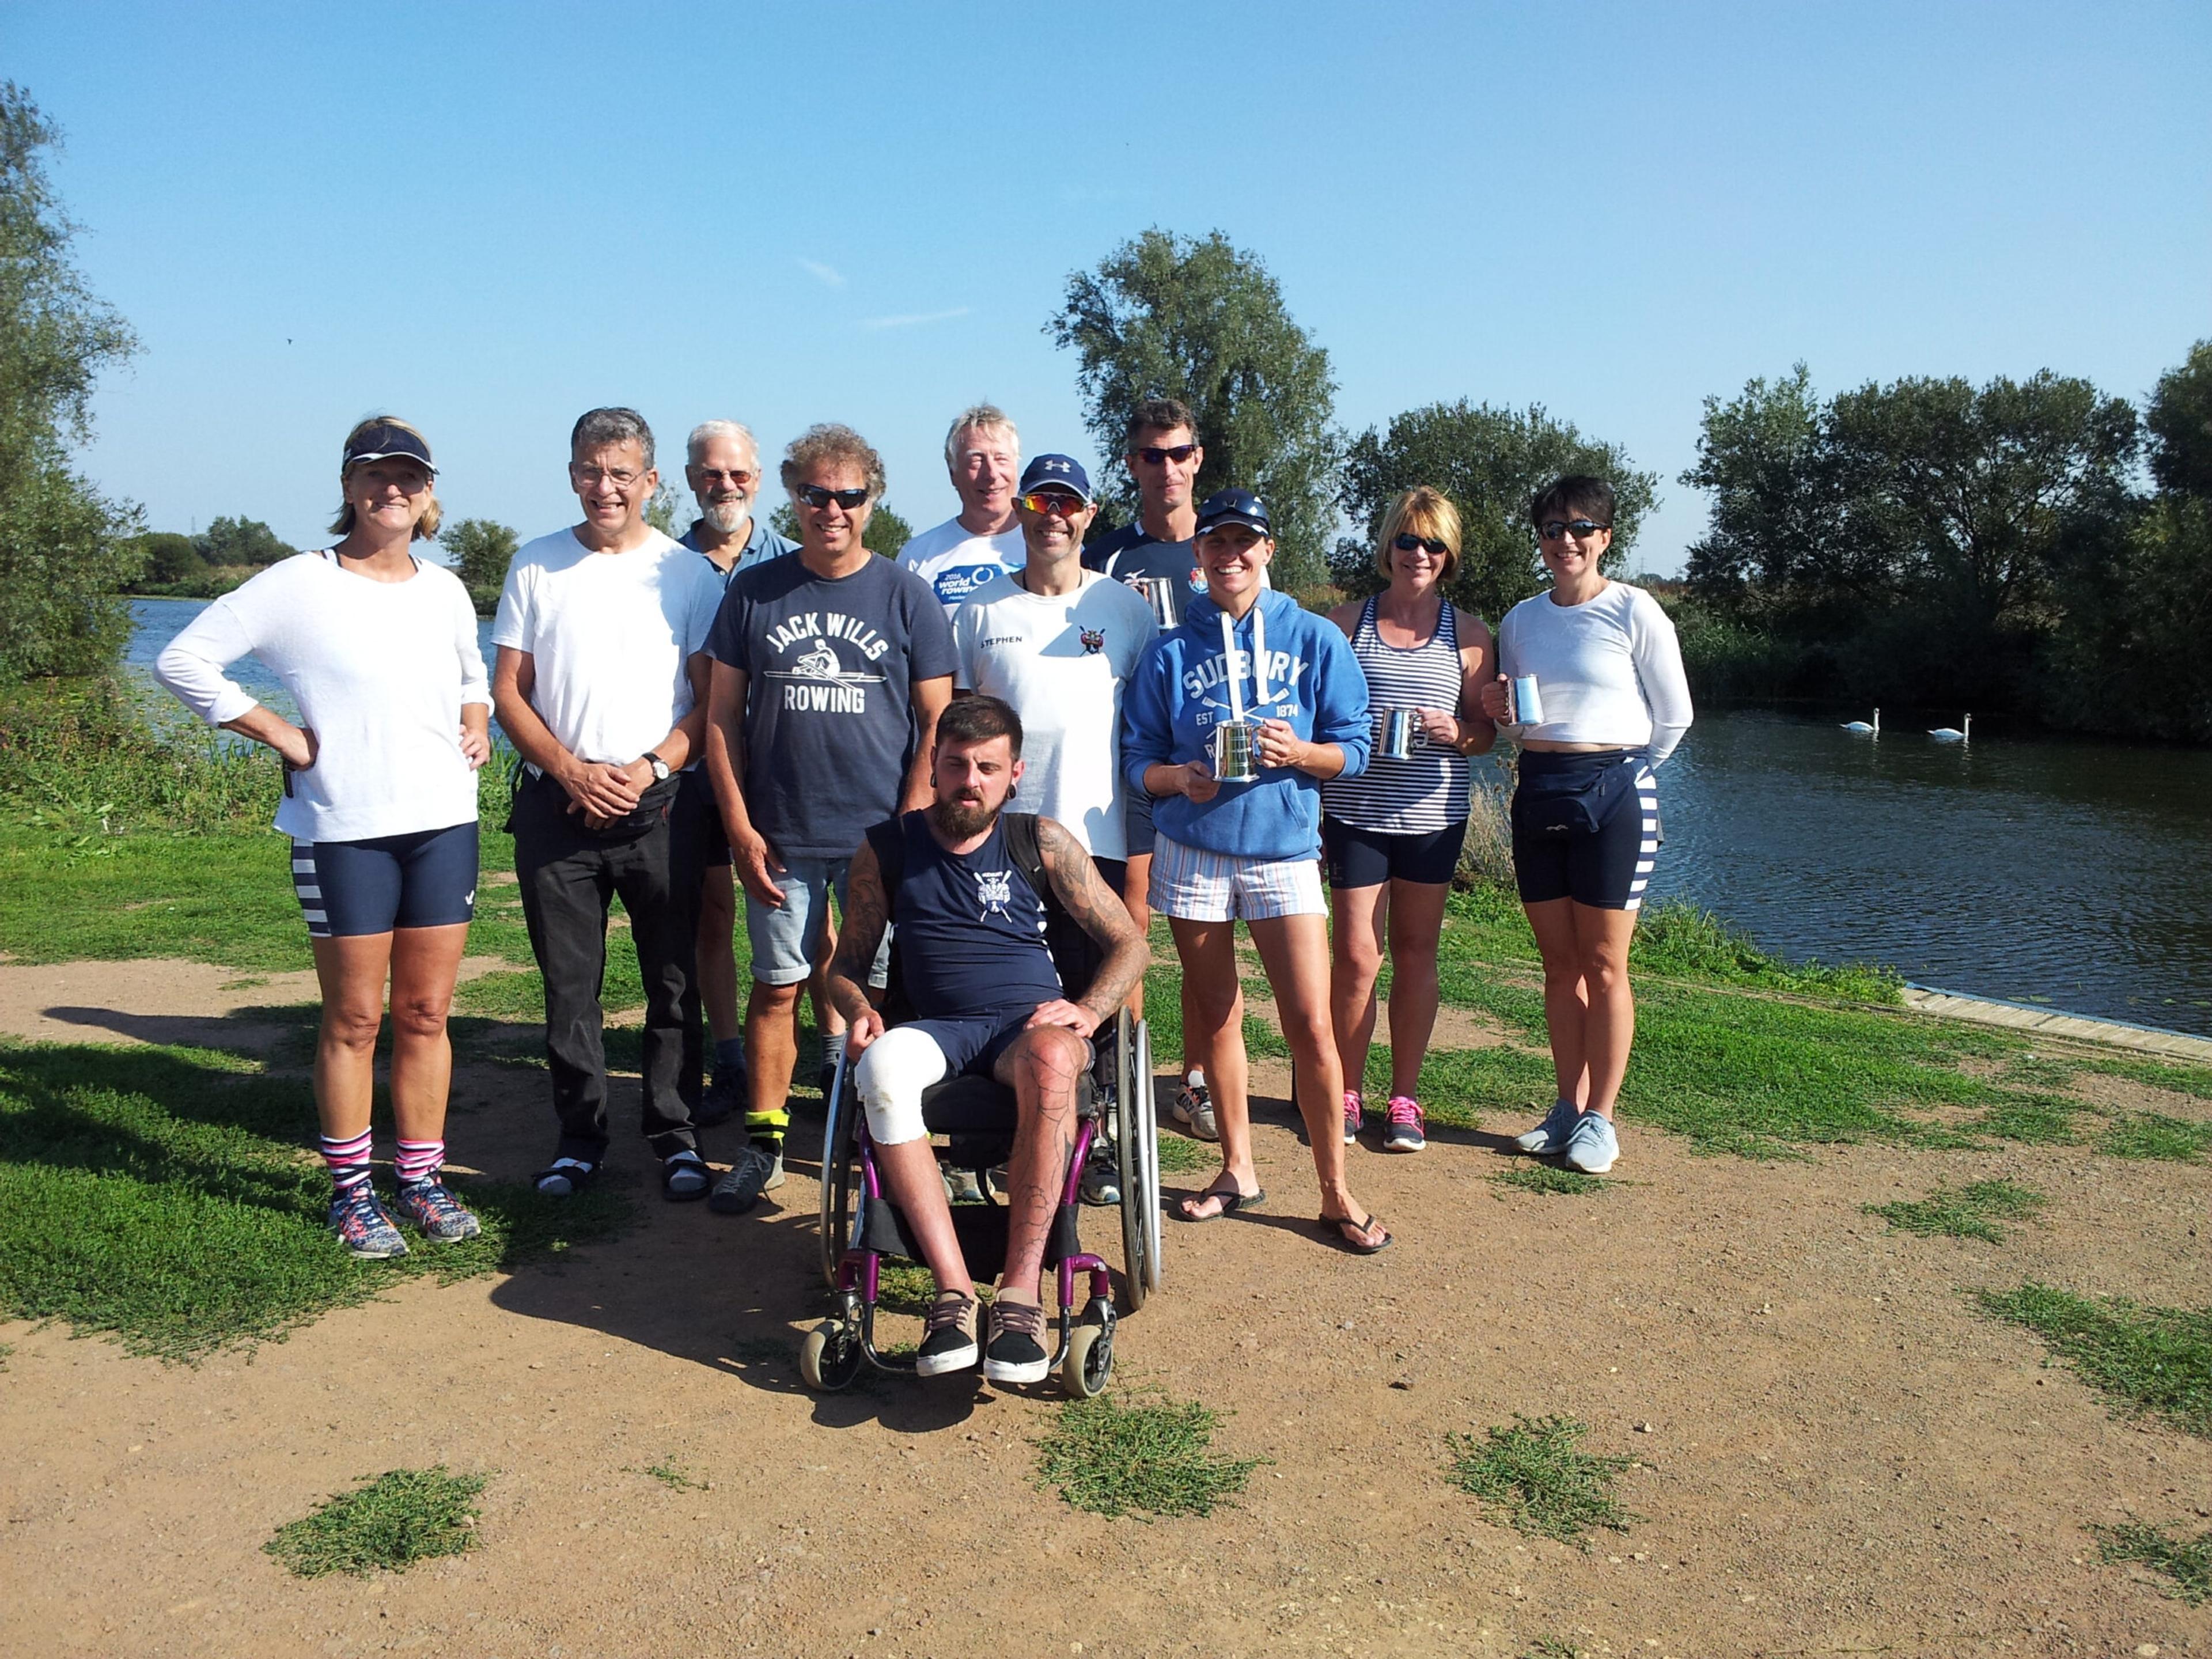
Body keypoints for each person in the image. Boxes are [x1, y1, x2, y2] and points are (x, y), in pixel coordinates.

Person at [156, 416, 490, 1257]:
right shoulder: (297, 585)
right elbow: (184, 661)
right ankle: (351, 1193)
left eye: (408, 477)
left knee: (424, 1013)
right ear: (346, 488)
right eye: (374, 475)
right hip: (344, 830)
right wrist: (276, 730)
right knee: (353, 1020)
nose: (392, 490)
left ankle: (419, 1180)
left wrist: (477, 721)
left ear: (429, 491)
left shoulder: (445, 589)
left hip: (444, 825)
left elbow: (470, 671)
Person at [829, 695, 1147, 1382]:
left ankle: (1020, 1298)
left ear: (1014, 774)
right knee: (880, 1067)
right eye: (955, 765)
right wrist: (858, 1008)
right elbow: (845, 967)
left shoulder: (1043, 841)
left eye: (987, 768)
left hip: (1023, 1028)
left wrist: (1088, 1011)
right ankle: (953, 1292)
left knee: (1057, 1058)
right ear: (935, 768)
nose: (970, 780)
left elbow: (1129, 944)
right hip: (936, 1028)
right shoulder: (887, 848)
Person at [1121, 487, 1390, 1253]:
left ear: (1268, 551)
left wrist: (1300, 755)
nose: (1230, 556)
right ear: (1198, 557)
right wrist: (1178, 780)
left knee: (1310, 1023)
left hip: (1284, 851)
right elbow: (1137, 756)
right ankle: (1237, 1168)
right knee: (1217, 1015)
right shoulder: (1171, 649)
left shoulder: (1313, 638)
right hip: (1193, 847)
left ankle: (1336, 1190)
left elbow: (1355, 746)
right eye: (1216, 545)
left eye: (1246, 543)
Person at [703, 423, 955, 1213]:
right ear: (795, 497)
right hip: (781, 835)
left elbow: (936, 723)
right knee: (777, 985)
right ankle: (766, 1142)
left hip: (875, 840)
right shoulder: (755, 591)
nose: (832, 510)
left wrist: (907, 825)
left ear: (873, 502)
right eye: (816, 495)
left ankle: (867, 1137)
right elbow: (720, 720)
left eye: (849, 496)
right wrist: (740, 828)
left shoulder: (906, 593)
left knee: (867, 994)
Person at [492, 408, 724, 1203]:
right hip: (558, 810)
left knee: (673, 981)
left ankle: (675, 1131)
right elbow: (507, 693)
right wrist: (566, 770)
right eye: (591, 471)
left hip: (659, 808)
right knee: (570, 987)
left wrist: (649, 766)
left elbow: (707, 702)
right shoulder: (535, 565)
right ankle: (579, 1137)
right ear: (571, 475)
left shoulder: (689, 575)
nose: (606, 488)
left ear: (651, 482)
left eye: (622, 473)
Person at [949, 453, 1157, 1200]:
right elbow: (959, 728)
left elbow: (1150, 728)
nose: (1054, 518)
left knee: (1080, 996)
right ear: (1023, 513)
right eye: (1041, 504)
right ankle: (985, 1145)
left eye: (1069, 504)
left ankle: (1091, 1151)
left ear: (1089, 516)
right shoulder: (979, 610)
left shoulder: (1125, 610)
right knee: (997, 997)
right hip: (996, 845)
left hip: (1093, 840)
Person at [1478, 476, 1692, 1175]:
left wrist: (1629, 774)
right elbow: (1517, 723)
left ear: (1604, 536)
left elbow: (1676, 714)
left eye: (1579, 528)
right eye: (1551, 528)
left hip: (1617, 793)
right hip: (1539, 788)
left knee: (1605, 964)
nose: (1564, 541)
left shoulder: (1635, 611)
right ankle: (1565, 1109)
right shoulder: (1520, 620)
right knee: (1558, 965)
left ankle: (1602, 1117)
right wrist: (1502, 716)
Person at [1080, 397, 1259, 1141]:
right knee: (1128, 922)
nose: (1167, 468)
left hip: (1207, 774)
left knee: (1207, 935)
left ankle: (1192, 1081)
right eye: (1152, 455)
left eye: (1179, 453)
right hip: (1122, 764)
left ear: (1198, 459)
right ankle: (1121, 1075)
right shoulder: (1108, 559)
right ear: (1132, 464)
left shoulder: (1229, 551)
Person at [1321, 487, 1497, 1154]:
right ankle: (1345, 1090)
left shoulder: (1471, 635)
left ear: (1448, 556)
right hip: (1355, 812)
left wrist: (1459, 731)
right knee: (1357, 956)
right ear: (1388, 546)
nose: (1418, 555)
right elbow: (1316, 716)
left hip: (1433, 815)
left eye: (1433, 544)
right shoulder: (1343, 623)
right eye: (1407, 541)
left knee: (1417, 955)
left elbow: (1487, 736)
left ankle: (1405, 1098)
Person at [671, 420, 801, 1135]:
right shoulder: (666, 564)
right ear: (691, 479)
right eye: (711, 474)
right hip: (696, 768)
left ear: (759, 479)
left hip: (781, 767)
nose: (725, 486)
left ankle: (821, 1055)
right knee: (713, 914)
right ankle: (732, 1060)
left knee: (811, 910)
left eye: (738, 474)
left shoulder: (792, 558)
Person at [895, 404, 1025, 615]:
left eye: (1001, 459)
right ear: (952, 473)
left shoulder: (1054, 547)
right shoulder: (918, 557)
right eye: (976, 460)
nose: (991, 474)